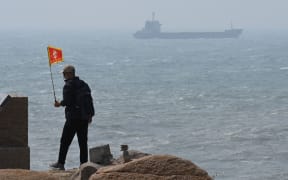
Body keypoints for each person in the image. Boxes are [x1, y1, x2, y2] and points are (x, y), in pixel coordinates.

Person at [50, 65, 94, 170]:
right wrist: (90, 115)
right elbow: (89, 100)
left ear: (69, 74)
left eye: (64, 74)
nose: (64, 76)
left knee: (65, 141)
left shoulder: (68, 85)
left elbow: (67, 102)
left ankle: (60, 163)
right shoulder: (84, 84)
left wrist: (59, 104)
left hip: (73, 118)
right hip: (84, 118)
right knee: (83, 142)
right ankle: (84, 165)